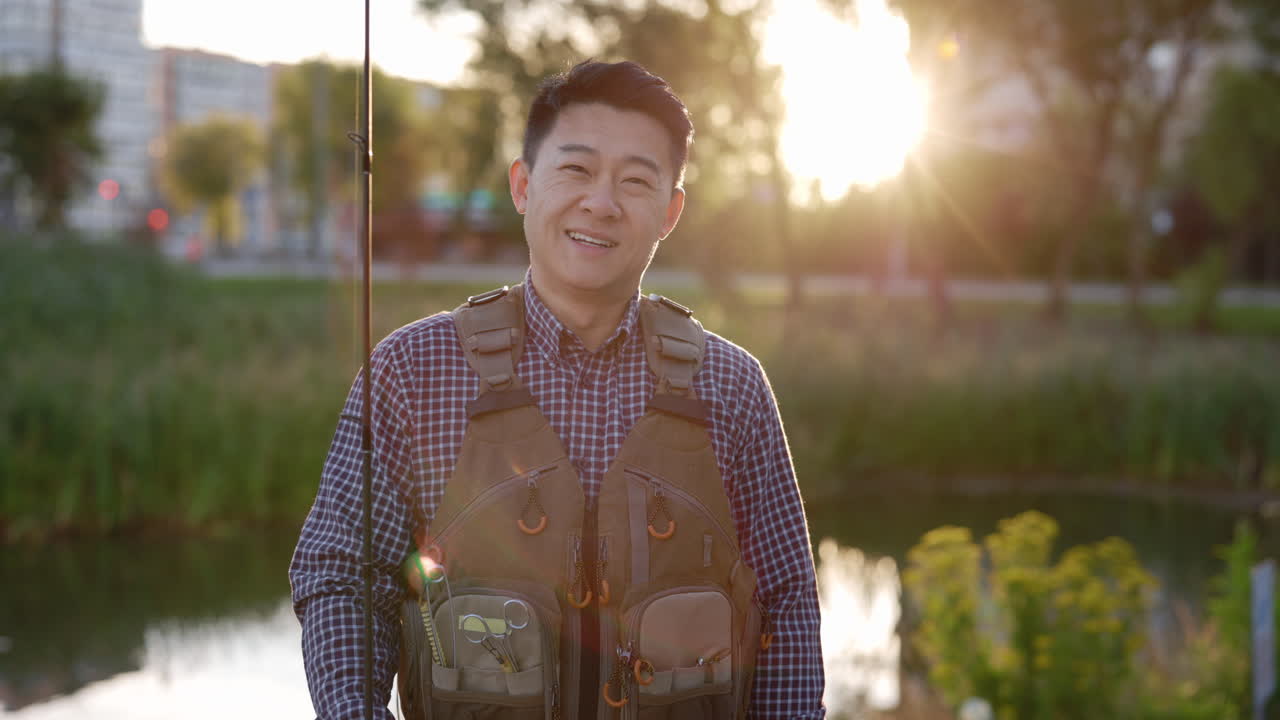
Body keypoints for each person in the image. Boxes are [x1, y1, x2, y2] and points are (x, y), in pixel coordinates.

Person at [290, 59, 825, 719]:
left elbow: (786, 601)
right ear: (523, 184)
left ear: (670, 212)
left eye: (636, 180)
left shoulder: (733, 385)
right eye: (576, 169)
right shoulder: (410, 369)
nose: (601, 203)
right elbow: (344, 576)